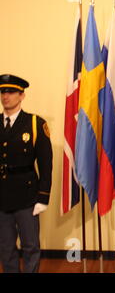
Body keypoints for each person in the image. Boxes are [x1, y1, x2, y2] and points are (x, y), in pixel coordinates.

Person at [0, 74, 52, 273]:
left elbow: (46, 165)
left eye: (11, 92)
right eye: (3, 92)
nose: (6, 96)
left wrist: (43, 197)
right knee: (6, 248)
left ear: (22, 96)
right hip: (2, 197)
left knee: (30, 246)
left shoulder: (35, 124)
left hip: (27, 196)